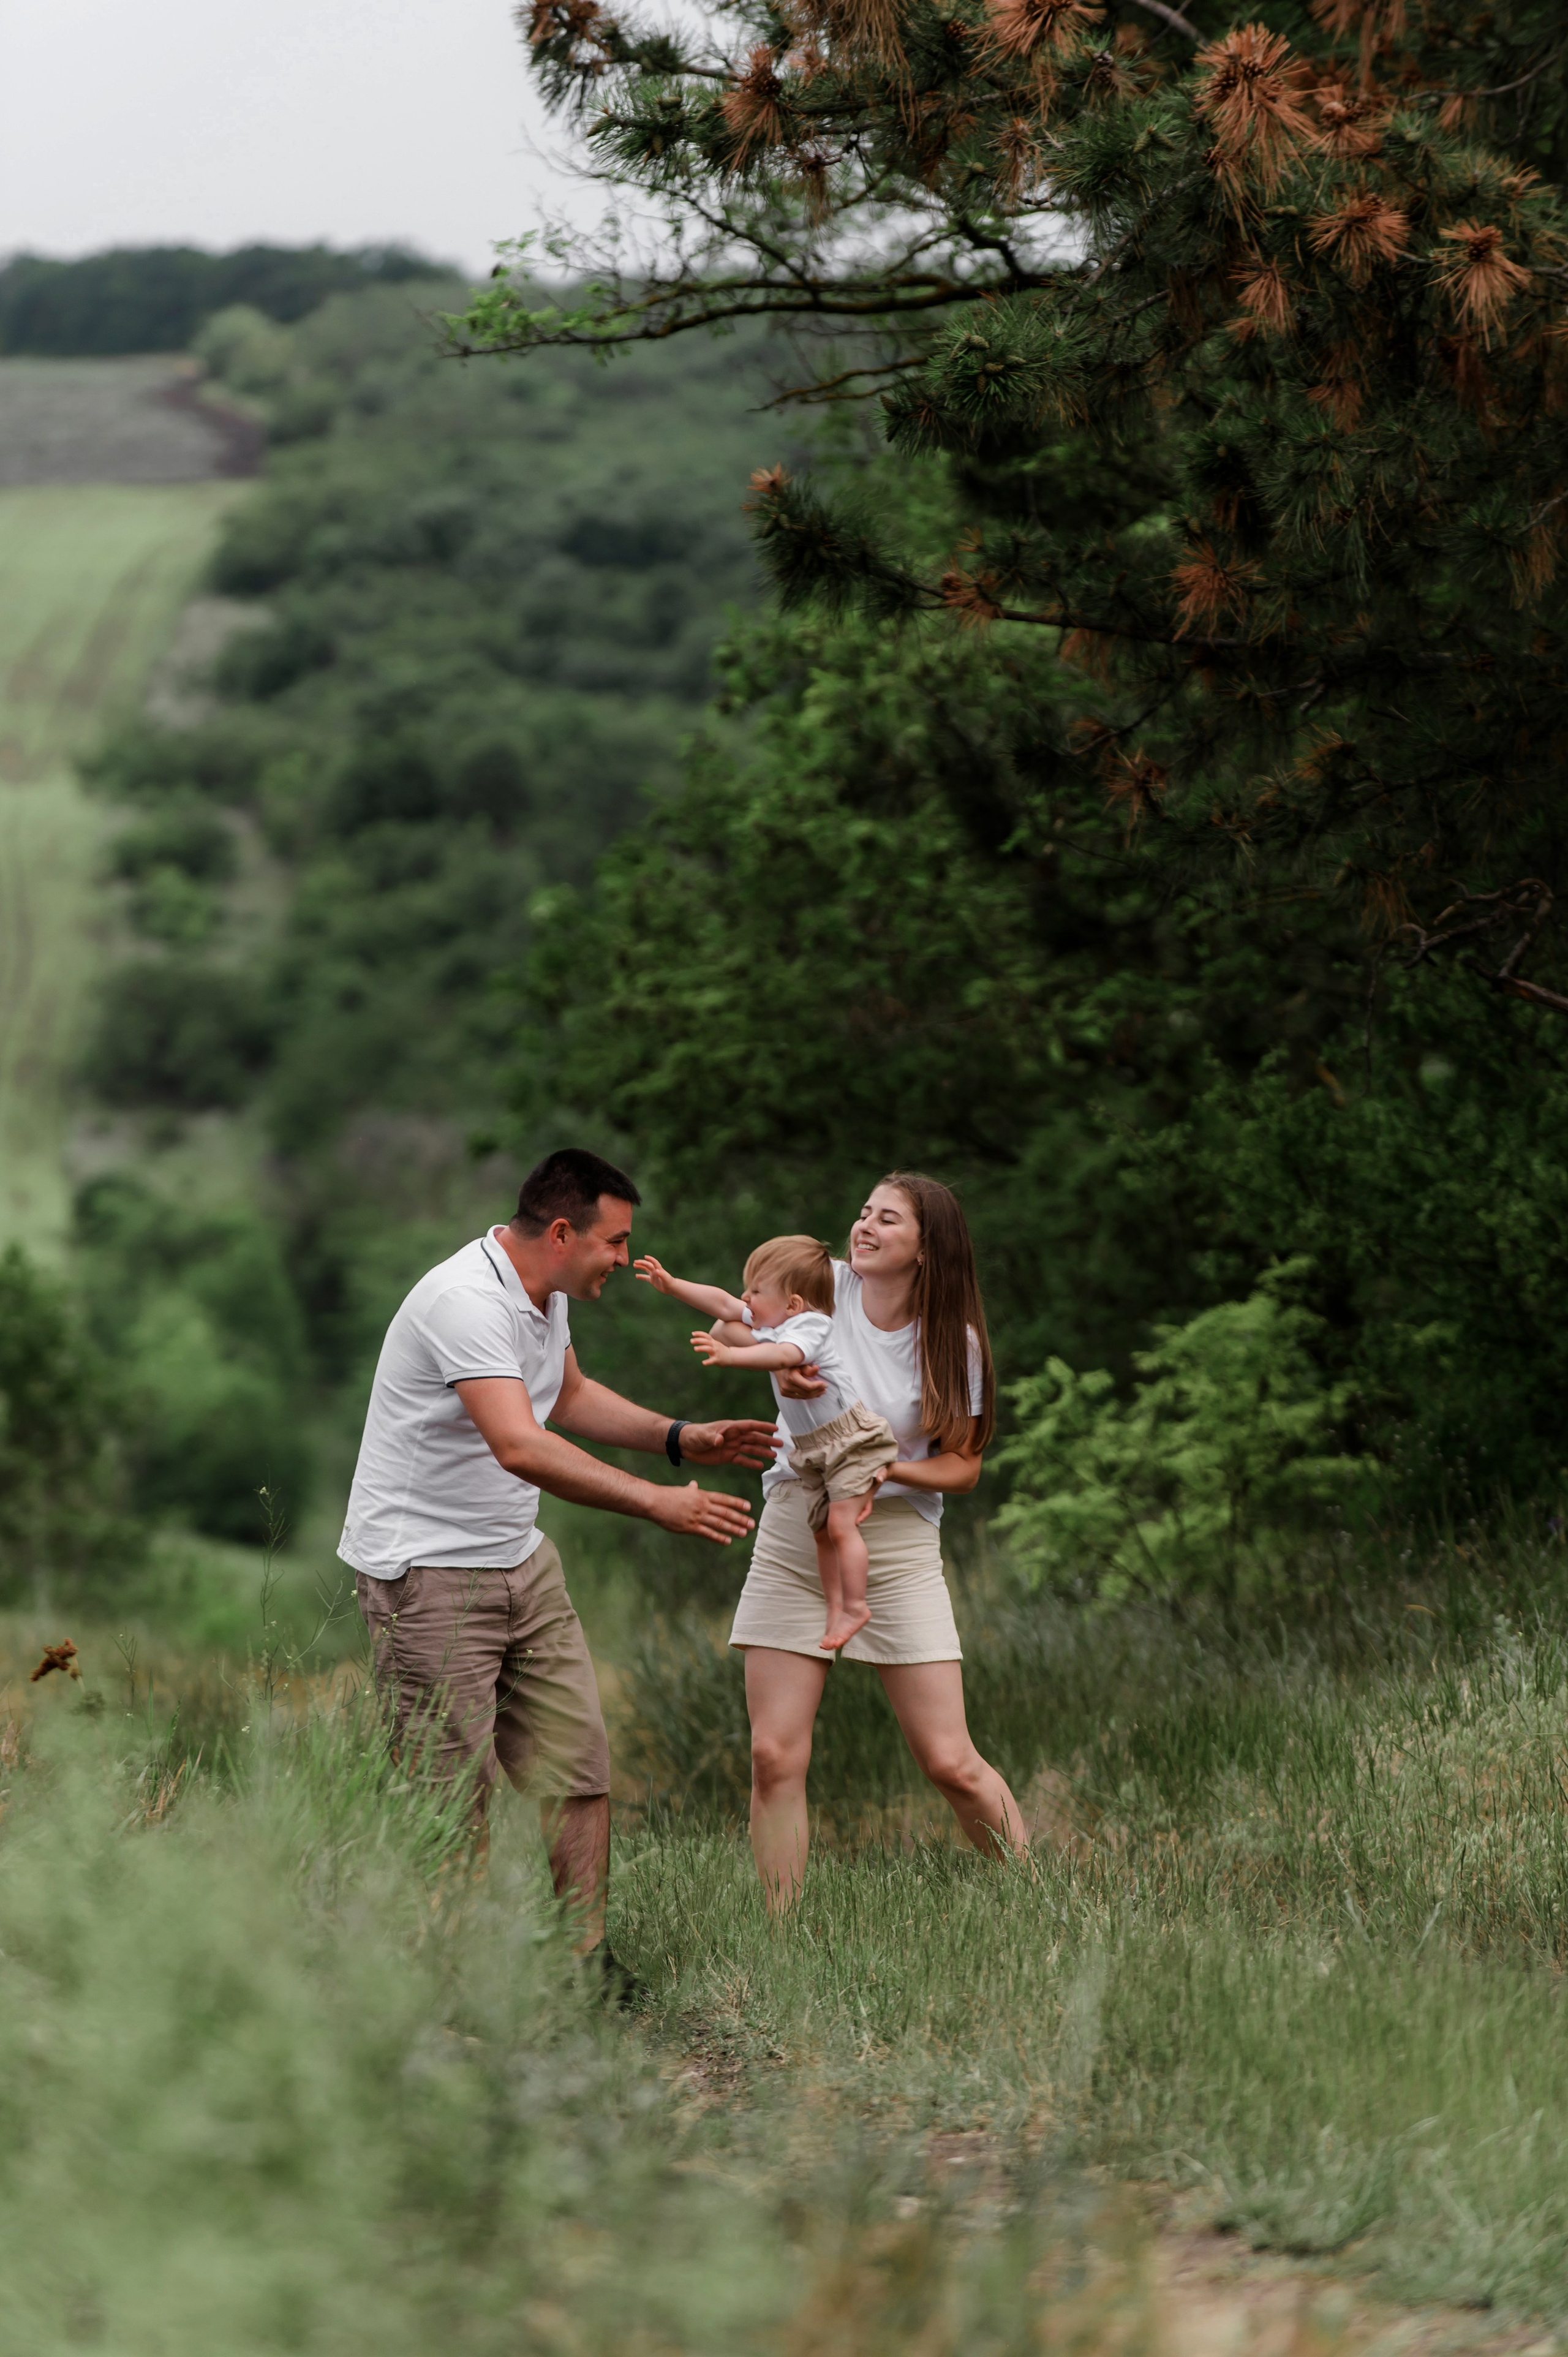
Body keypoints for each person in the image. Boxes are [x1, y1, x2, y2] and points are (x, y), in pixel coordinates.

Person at [337, 1147, 777, 1982]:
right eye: (614, 1243)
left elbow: (565, 1396)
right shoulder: (465, 1301)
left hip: (519, 1561)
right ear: (564, 1231)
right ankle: (451, 1982)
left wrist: (680, 1438)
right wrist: (658, 1501)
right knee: (446, 1794)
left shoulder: (542, 1296)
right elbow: (520, 1443)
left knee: (577, 1768)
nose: (623, 1259)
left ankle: (584, 1967)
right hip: (425, 1577)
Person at [724, 1172, 1027, 1907]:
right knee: (773, 1754)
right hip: (796, 1523)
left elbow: (963, 1464)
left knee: (950, 1761)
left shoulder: (953, 1343)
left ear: (926, 1248)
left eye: (887, 1220)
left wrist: (882, 1466)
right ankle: (780, 1937)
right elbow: (736, 1320)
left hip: (892, 1540)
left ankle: (1030, 1898)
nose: (864, 1227)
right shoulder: (819, 1285)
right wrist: (769, 1358)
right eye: (864, 1211)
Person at [633, 1235, 899, 1653]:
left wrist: (729, 1355)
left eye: (756, 1291)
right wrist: (673, 1285)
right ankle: (835, 1608)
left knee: (841, 1526)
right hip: (812, 1450)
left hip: (849, 1442)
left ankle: (856, 1605)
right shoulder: (772, 1322)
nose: (746, 1298)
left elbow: (782, 1357)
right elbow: (723, 1305)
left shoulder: (811, 1326)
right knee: (822, 1534)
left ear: (792, 1303)